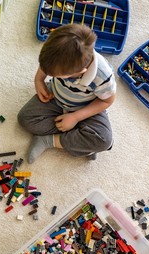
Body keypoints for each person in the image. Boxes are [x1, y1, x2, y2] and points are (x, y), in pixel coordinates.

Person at [17, 23, 116, 164]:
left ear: (80, 73)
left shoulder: (102, 76)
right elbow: (47, 64)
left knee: (103, 140)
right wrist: (39, 80)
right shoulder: (57, 55)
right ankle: (80, 143)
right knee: (25, 118)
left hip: (85, 109)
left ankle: (49, 140)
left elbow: (107, 101)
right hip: (56, 97)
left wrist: (76, 117)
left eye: (55, 74)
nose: (49, 74)